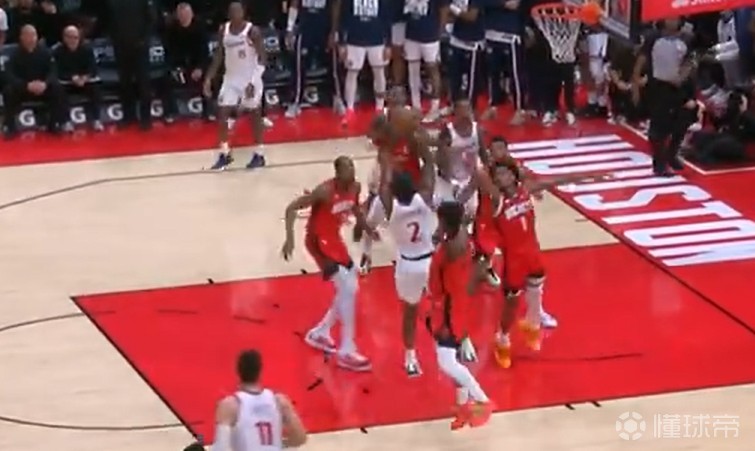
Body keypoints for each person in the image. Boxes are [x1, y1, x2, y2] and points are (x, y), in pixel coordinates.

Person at [478, 157, 607, 368]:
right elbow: (480, 175)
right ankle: (502, 338)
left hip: (532, 250)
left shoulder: (526, 189)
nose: (502, 177)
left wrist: (591, 176)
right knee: (511, 303)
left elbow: (558, 180)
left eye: (505, 172)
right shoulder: (496, 199)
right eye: (498, 174)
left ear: (513, 174)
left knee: (536, 289)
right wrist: (479, 159)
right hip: (513, 258)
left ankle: (532, 324)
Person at [281, 156, 373, 372]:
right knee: (347, 289)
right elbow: (291, 208)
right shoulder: (324, 191)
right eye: (347, 168)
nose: (352, 171)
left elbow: (355, 208)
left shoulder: (355, 187)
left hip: (334, 239)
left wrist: (365, 228)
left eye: (353, 167)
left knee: (351, 288)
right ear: (337, 173)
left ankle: (320, 332)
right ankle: (347, 350)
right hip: (318, 241)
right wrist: (289, 239)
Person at [371, 120, 435, 377]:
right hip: (430, 261)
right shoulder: (424, 199)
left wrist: (386, 158)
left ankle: (410, 357)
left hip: (408, 264)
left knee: (410, 312)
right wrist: (422, 146)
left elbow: (384, 186)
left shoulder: (392, 209)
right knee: (448, 302)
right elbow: (429, 168)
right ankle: (462, 343)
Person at [427, 200, 492, 430]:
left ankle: (482, 400)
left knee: (446, 362)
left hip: (449, 307)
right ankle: (463, 407)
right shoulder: (463, 236)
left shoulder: (451, 248)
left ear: (444, 221)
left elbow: (443, 279)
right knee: (457, 358)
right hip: (457, 302)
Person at [358, 101, 431, 275]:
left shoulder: (415, 139)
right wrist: (390, 210)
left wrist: (427, 188)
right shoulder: (385, 147)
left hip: (414, 192)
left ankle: (416, 257)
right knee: (370, 223)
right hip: (392, 191)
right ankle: (366, 255)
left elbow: (428, 162)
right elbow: (386, 181)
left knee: (419, 228)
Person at [203, 1, 267, 171]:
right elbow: (218, 55)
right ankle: (224, 153)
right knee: (223, 113)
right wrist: (209, 78)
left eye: (237, 11)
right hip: (231, 78)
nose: (234, 14)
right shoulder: (223, 30)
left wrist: (253, 81)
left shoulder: (252, 31)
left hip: (250, 78)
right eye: (232, 11)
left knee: (254, 114)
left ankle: (259, 153)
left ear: (243, 13)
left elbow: (263, 59)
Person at [210, 350, 307, 451]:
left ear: (237, 371)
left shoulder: (230, 405)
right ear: (260, 370)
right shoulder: (279, 400)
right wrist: (279, 445)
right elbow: (300, 438)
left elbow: (220, 448)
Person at [633, 18, 695, 176]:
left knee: (686, 117)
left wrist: (681, 78)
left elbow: (690, 62)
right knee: (658, 128)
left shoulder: (687, 38)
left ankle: (672, 153)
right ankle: (659, 164)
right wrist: (635, 86)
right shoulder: (653, 37)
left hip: (679, 87)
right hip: (657, 87)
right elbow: (641, 61)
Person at [332, 0, 391, 124]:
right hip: (354, 40)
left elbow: (386, 19)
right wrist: (342, 43)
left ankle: (380, 108)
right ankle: (350, 109)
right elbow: (344, 18)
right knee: (352, 73)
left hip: (377, 40)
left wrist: (388, 44)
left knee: (379, 72)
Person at [2, 24, 66, 138]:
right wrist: (26, 85)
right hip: (23, 89)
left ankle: (55, 123)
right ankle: (10, 126)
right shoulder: (14, 55)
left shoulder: (45, 52)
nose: (31, 38)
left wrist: (45, 83)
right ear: (21, 37)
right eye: (28, 35)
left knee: (57, 88)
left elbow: (53, 71)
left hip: (42, 88)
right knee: (8, 91)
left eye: (33, 35)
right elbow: (9, 75)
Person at [284, 0, 345, 119]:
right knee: (299, 66)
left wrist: (334, 31)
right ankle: (296, 102)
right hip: (305, 28)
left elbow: (336, 5)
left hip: (324, 27)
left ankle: (338, 98)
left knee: (333, 65)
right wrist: (290, 28)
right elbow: (294, 4)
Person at [104, 0, 155, 130]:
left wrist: (144, 40)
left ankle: (146, 118)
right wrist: (115, 40)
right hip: (121, 48)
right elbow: (108, 22)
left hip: (140, 49)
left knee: (144, 84)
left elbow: (151, 20)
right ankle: (128, 116)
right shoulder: (112, 3)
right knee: (125, 83)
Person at [435, 98, 488, 218]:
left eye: (468, 109)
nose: (466, 113)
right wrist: (451, 182)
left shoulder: (477, 130)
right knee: (449, 213)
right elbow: (440, 161)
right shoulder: (448, 132)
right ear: (456, 112)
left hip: (471, 179)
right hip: (450, 179)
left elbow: (484, 156)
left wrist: (482, 177)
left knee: (473, 212)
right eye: (462, 110)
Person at [162, 2, 212, 123]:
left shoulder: (200, 28)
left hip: (197, 65)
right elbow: (169, 52)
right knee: (165, 80)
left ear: (192, 14)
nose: (184, 17)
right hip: (180, 66)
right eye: (182, 15)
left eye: (187, 14)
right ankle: (171, 112)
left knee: (208, 77)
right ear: (178, 16)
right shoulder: (171, 30)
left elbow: (205, 52)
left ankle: (208, 111)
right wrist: (176, 68)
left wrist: (200, 68)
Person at [483, 0, 527, 125]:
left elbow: (517, 4)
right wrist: (502, 4)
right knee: (492, 72)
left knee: (516, 73)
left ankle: (520, 110)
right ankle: (493, 105)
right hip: (491, 30)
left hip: (511, 31)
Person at [54, 25, 104, 131]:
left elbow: (93, 68)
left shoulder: (87, 49)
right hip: (67, 82)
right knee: (57, 89)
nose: (73, 40)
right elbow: (56, 71)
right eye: (70, 37)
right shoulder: (58, 51)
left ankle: (96, 119)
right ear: (64, 38)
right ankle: (65, 122)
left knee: (95, 87)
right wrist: (72, 77)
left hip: (83, 81)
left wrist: (85, 77)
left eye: (76, 37)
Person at [404, 0, 446, 123]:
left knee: (432, 69)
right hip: (411, 34)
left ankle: (435, 107)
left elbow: (444, 10)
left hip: (430, 35)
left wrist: (439, 32)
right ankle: (416, 106)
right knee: (413, 69)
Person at [447, 0, 486, 108]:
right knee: (454, 76)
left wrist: (453, 9)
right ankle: (454, 105)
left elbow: (472, 17)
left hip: (472, 41)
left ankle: (470, 108)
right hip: (456, 38)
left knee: (471, 79)